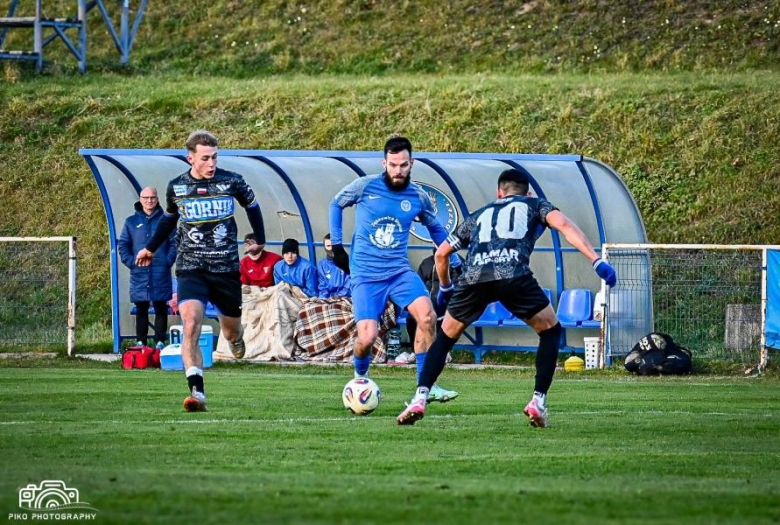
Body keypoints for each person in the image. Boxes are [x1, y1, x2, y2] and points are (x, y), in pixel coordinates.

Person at [397, 168, 617, 427]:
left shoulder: (479, 214)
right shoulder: (536, 204)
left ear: (499, 193)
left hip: (474, 277)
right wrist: (595, 260)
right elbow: (565, 226)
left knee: (445, 338)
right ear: (528, 192)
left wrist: (445, 288)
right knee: (550, 330)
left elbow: (441, 254)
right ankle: (538, 401)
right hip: (513, 274)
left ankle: (419, 398)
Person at [135, 130, 267, 412]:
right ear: (190, 158)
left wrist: (260, 238)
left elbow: (253, 207)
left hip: (226, 268)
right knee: (191, 324)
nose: (211, 164)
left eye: (215, 157)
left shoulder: (232, 181)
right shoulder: (177, 188)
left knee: (231, 332)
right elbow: (168, 221)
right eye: (205, 158)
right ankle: (197, 391)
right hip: (190, 267)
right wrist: (149, 248)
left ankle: (235, 338)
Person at [328, 136, 459, 402]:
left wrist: (454, 260)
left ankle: (426, 386)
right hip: (366, 275)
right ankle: (359, 378)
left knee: (427, 317)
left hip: (399, 272)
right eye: (393, 165)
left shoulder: (418, 197)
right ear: (384, 163)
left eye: (403, 165)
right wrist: (338, 245)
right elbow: (336, 204)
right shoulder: (365, 186)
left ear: (412, 163)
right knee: (367, 337)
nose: (397, 171)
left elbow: (435, 228)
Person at [117, 187, 176, 349]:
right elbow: (123, 244)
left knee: (160, 306)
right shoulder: (131, 222)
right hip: (139, 273)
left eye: (152, 197)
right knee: (141, 306)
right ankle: (141, 342)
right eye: (146, 197)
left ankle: (160, 342)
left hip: (160, 272)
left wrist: (167, 261)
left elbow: (174, 242)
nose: (149, 201)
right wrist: (132, 262)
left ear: (157, 199)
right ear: (140, 199)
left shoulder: (166, 220)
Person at [317, 233, 351, 298]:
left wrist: (337, 298)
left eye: (334, 245)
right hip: (328, 299)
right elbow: (322, 287)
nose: (332, 249)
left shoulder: (348, 261)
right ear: (324, 247)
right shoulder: (322, 264)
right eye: (328, 246)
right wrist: (324, 299)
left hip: (346, 298)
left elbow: (348, 286)